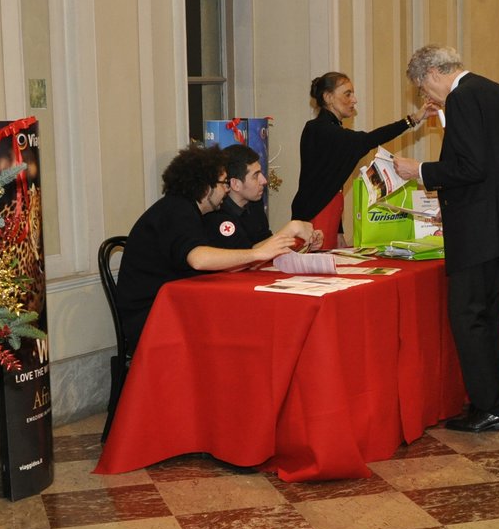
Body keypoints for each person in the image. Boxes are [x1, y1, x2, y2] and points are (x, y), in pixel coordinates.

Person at [392, 45, 499, 432]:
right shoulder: (492, 89)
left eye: (423, 85)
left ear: (435, 72)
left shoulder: (461, 97)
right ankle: (497, 404)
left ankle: (487, 406)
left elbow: (470, 166)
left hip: (480, 229)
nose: (425, 95)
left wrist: (418, 170)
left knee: (469, 316)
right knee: (488, 314)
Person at [116, 144, 309, 353]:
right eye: (223, 183)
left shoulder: (185, 210)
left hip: (176, 309)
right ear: (206, 187)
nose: (226, 189)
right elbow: (198, 259)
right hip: (152, 318)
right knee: (246, 335)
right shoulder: (177, 211)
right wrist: (257, 253)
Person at [292, 71, 434, 247]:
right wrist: (412, 119)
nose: (354, 100)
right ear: (328, 97)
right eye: (347, 94)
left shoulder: (328, 129)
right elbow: (368, 140)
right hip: (316, 214)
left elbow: (330, 181)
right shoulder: (320, 129)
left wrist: (338, 230)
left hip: (329, 209)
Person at [205, 144, 324, 252]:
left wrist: (305, 245)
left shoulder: (254, 203)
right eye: (256, 176)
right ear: (236, 184)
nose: (264, 180)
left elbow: (265, 242)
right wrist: (290, 230)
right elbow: (244, 258)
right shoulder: (217, 213)